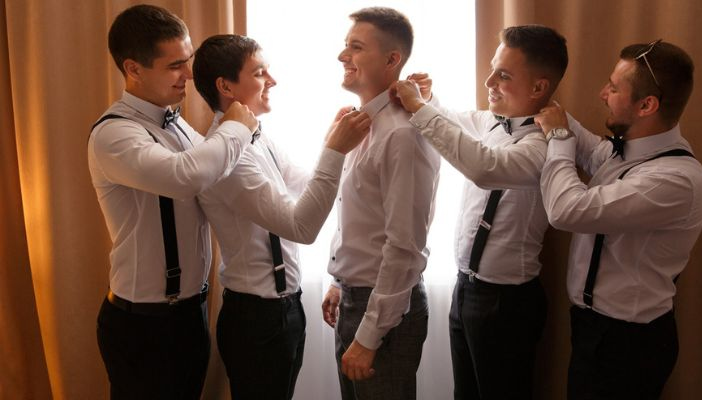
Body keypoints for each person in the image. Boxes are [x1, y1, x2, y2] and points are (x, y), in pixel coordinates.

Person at [88, 5, 256, 400]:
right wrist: (235, 126)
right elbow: (187, 176)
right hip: (143, 324)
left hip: (188, 316)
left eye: (189, 61)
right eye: (175, 65)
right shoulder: (114, 135)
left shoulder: (174, 120)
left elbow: (215, 170)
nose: (188, 76)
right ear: (134, 69)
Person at [392, 25, 569, 399]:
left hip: (507, 303)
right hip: (466, 288)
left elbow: (485, 167)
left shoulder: (543, 146)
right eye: (492, 68)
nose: (489, 81)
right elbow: (452, 124)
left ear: (539, 88)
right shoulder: (490, 121)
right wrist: (430, 98)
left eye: (503, 75)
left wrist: (419, 108)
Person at [192, 34, 370, 400]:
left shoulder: (257, 138)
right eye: (260, 73)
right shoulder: (229, 158)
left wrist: (332, 146)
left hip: (285, 308)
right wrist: (335, 150)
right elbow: (301, 227)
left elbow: (306, 187)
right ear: (226, 86)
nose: (272, 80)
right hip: (254, 319)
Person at [535, 40, 702, 399]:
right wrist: (548, 109)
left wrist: (558, 136)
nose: (602, 93)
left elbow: (567, 209)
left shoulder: (674, 180)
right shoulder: (630, 149)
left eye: (614, 88)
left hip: (629, 344)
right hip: (592, 329)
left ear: (647, 105)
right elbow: (596, 153)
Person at [320, 7, 440, 400]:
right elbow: (359, 215)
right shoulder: (360, 125)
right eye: (344, 46)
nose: (342, 57)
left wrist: (370, 336)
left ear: (392, 60)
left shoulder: (403, 134)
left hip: (384, 314)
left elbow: (404, 246)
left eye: (355, 47)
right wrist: (340, 279)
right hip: (356, 299)